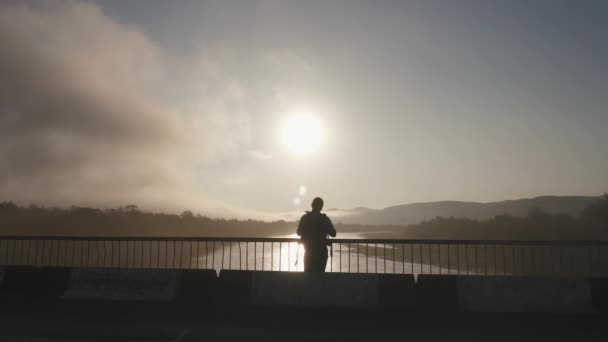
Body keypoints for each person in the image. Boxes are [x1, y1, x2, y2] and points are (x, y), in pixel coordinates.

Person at [296, 197, 336, 272]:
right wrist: (325, 228)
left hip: (308, 252)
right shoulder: (324, 219)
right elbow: (333, 233)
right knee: (320, 277)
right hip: (322, 253)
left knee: (308, 277)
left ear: (312, 205)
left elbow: (298, 232)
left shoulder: (305, 218)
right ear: (321, 207)